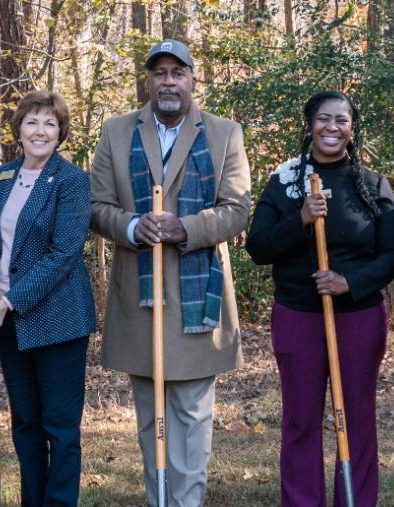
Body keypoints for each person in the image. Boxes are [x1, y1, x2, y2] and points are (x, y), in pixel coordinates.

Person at [88, 39, 252, 507]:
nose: (168, 82)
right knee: (150, 417)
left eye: (177, 73)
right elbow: (97, 206)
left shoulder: (224, 133)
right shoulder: (117, 131)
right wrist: (133, 225)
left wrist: (186, 228)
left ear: (192, 79)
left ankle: (188, 502)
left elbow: (236, 209)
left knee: (192, 414)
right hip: (140, 296)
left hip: (198, 296)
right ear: (148, 81)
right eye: (159, 73)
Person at [246, 91, 394, 507]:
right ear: (309, 124)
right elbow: (258, 247)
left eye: (342, 120)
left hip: (359, 317)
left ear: (353, 128)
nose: (332, 127)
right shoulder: (285, 181)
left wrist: (349, 282)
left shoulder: (372, 184)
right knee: (301, 418)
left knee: (356, 417)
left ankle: (355, 501)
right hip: (297, 315)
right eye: (323, 118)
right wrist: (300, 219)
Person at [0, 90, 98, 507]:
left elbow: (63, 254)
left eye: (49, 124)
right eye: (32, 122)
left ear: (60, 133)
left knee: (59, 427)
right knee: (25, 423)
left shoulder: (72, 180)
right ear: (19, 129)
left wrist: (11, 301)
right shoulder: (4, 175)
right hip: (7, 319)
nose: (40, 131)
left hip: (57, 318)